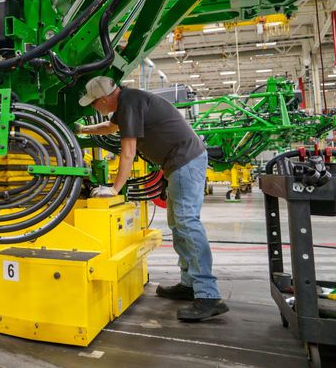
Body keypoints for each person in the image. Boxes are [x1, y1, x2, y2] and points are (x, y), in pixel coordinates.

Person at [77, 76, 228, 322]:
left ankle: (208, 295)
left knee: (187, 223)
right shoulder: (128, 101)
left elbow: (128, 152)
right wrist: (82, 129)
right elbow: (109, 128)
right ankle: (189, 284)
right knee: (179, 224)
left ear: (103, 99)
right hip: (180, 163)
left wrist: (115, 189)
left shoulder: (130, 103)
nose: (94, 109)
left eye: (94, 104)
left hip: (185, 162)